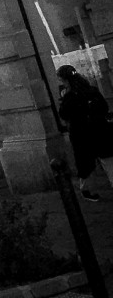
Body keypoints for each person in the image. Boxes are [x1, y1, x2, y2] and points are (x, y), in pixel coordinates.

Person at [57, 65, 113, 201]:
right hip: (99, 130)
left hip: (81, 134)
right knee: (107, 160)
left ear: (65, 80)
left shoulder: (69, 95)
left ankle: (87, 190)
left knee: (86, 164)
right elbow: (104, 108)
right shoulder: (91, 90)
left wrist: (63, 99)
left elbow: (64, 114)